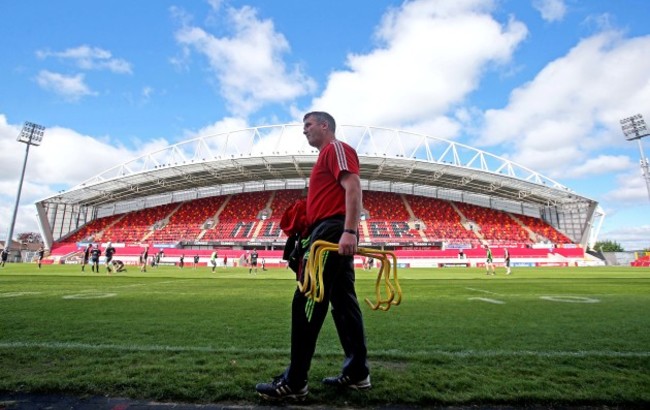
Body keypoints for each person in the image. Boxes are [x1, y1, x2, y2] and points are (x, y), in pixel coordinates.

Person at [256, 111, 369, 400]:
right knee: (344, 304)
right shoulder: (325, 157)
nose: (304, 130)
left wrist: (349, 231)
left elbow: (353, 186)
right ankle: (357, 373)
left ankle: (295, 382)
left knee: (306, 300)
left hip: (331, 232)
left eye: (308, 125)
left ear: (325, 125)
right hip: (328, 229)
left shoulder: (336, 149)